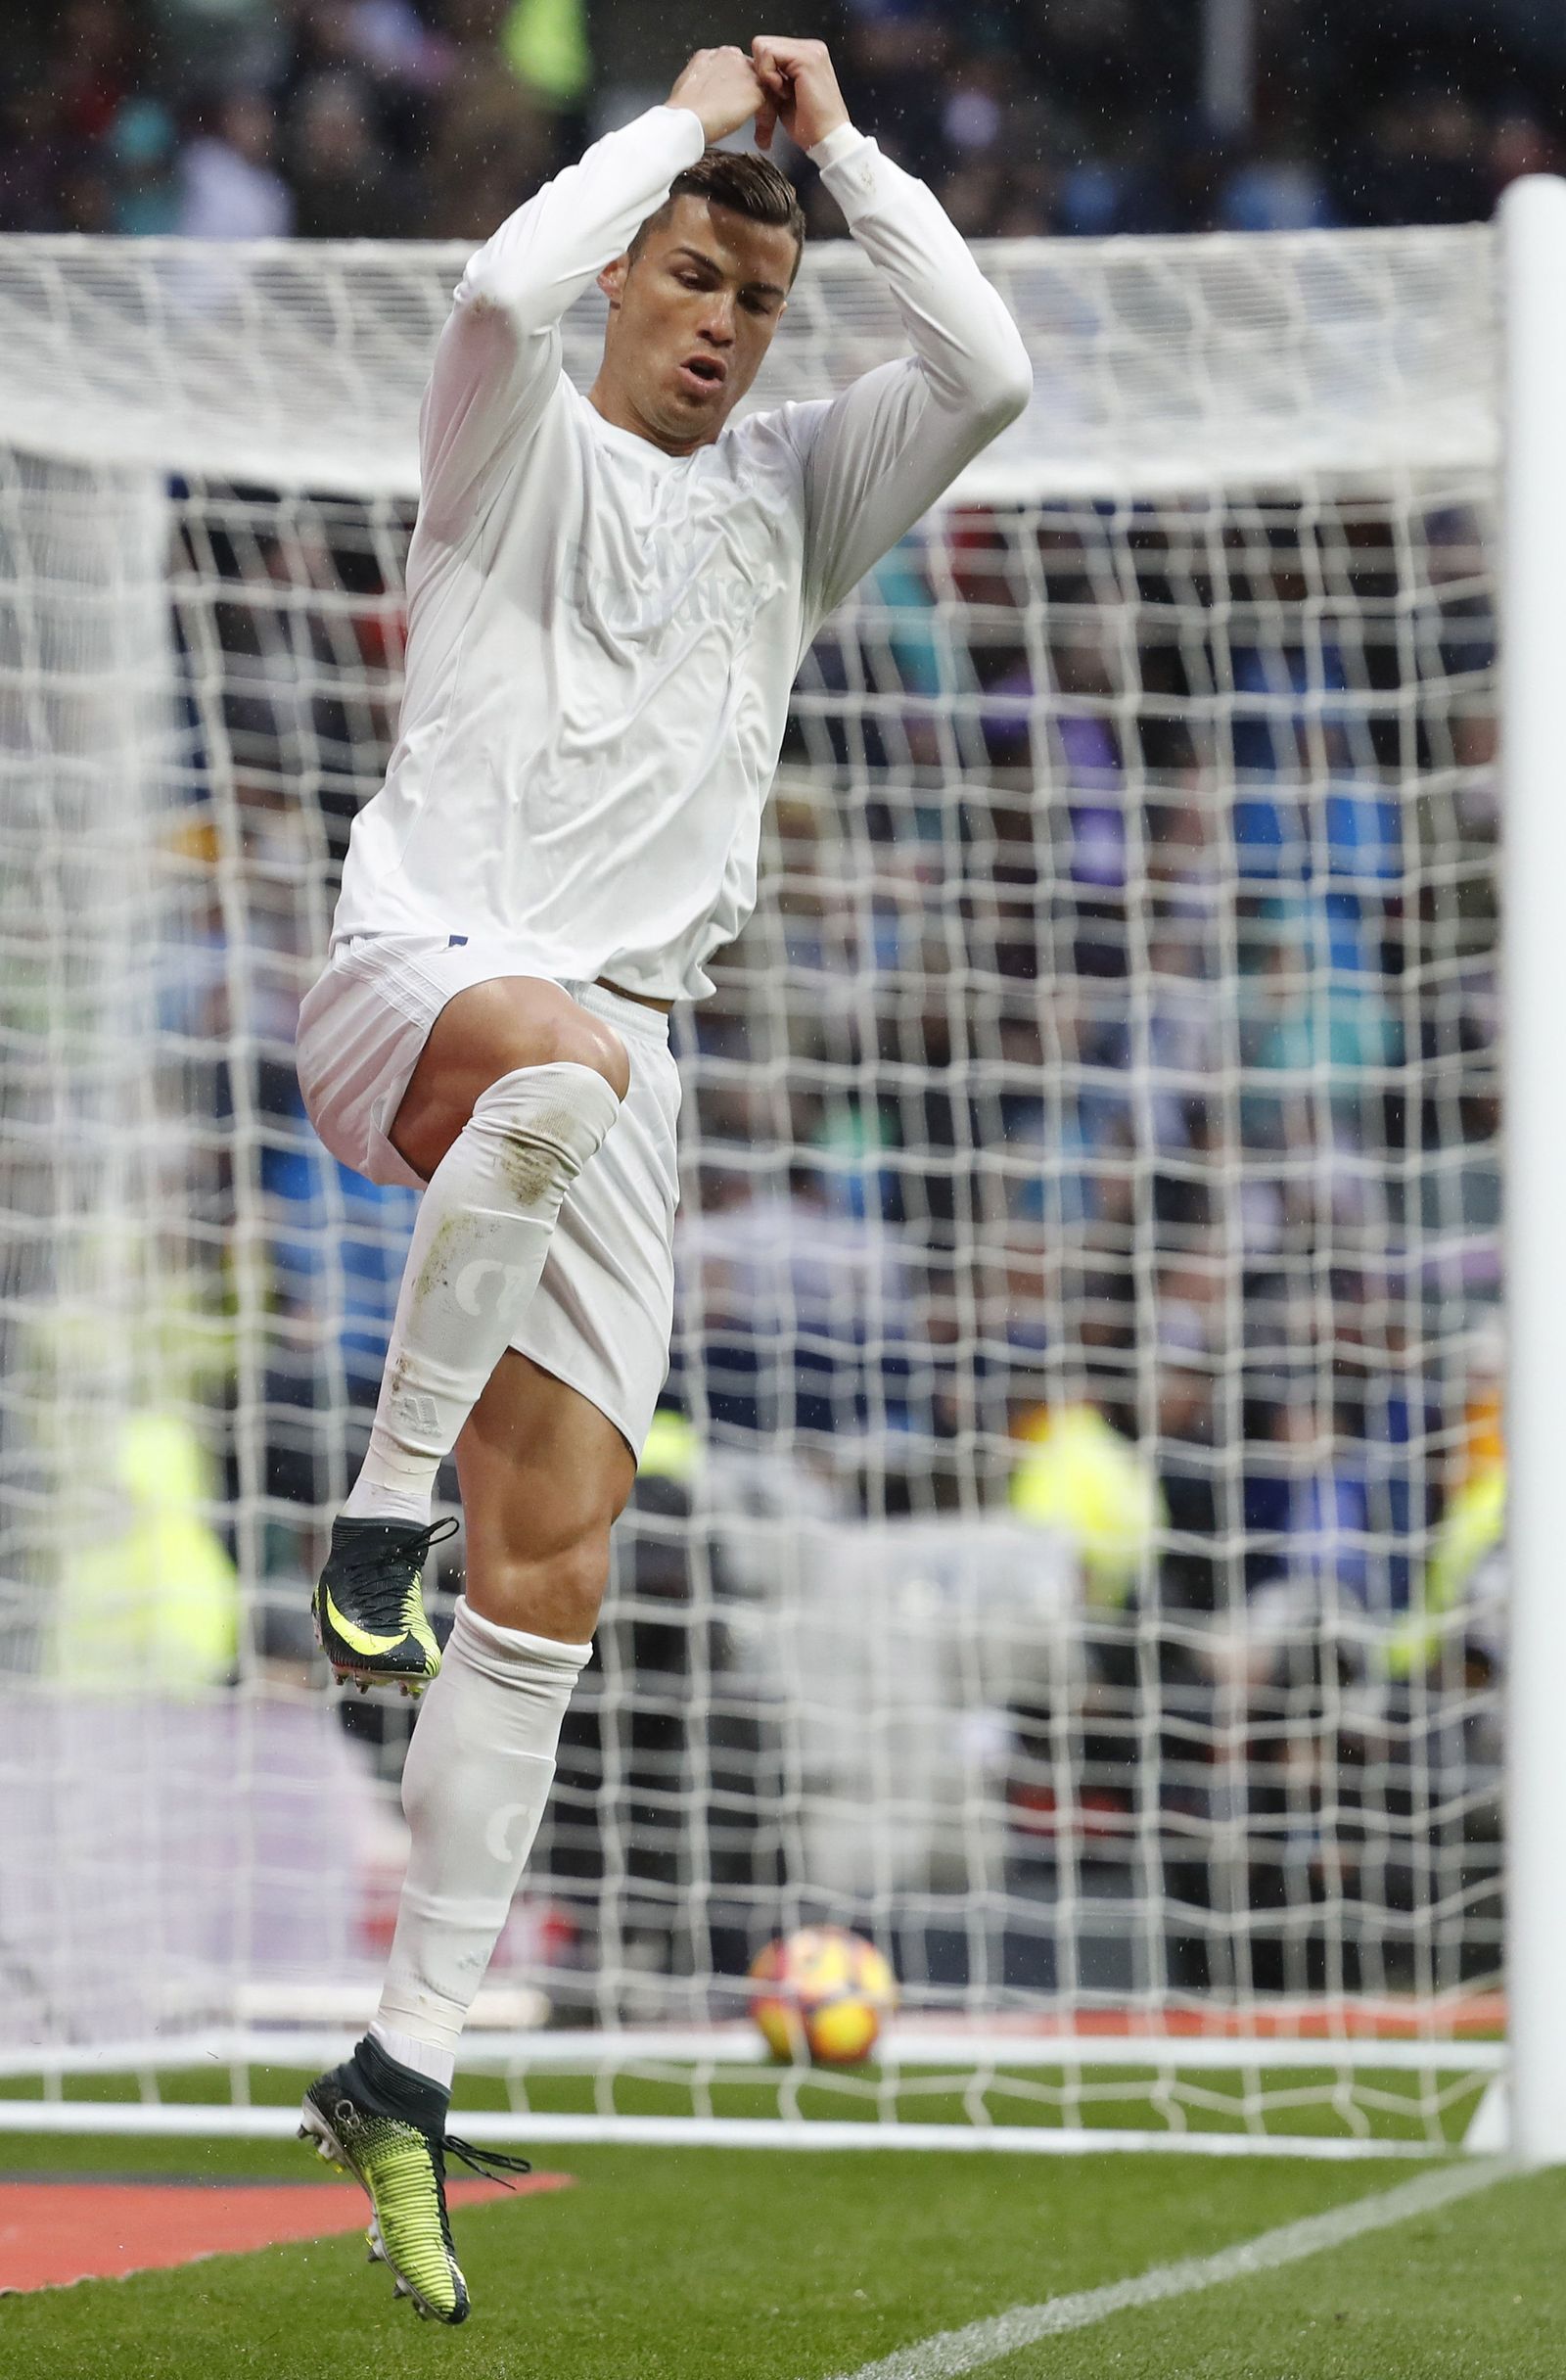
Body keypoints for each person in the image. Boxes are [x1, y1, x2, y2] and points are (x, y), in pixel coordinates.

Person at [292, 32, 1031, 2322]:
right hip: (424, 981)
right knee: (560, 1055)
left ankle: (401, 2063)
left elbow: (987, 369)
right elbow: (494, 289)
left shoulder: (796, 496)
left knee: (556, 1576)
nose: (722, 325)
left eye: (758, 302)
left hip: (616, 1076)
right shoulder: (508, 425)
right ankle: (374, 1519)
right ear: (630, 269)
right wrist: (685, 117)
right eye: (693, 279)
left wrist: (841, 155)